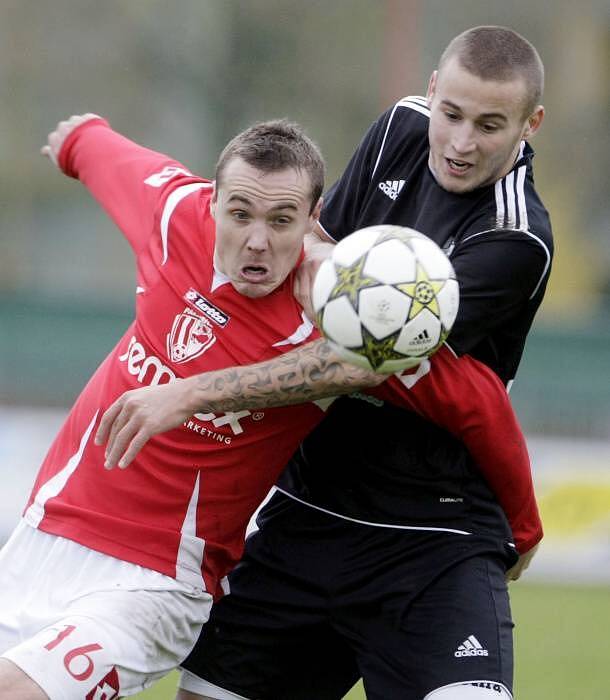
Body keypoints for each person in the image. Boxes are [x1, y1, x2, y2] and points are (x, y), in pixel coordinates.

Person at [0, 108, 538, 700]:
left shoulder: (347, 324)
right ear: (213, 204)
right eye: (240, 215)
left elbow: (480, 403)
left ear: (314, 220)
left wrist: (523, 527)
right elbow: (106, 157)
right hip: (36, 542)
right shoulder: (176, 215)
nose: (257, 241)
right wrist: (77, 139)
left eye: (282, 220)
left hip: (150, 588)